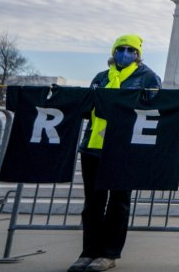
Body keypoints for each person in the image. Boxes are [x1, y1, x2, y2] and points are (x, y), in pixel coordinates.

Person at [68, 34, 162, 272]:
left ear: (138, 54)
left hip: (124, 149)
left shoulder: (147, 77)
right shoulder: (101, 78)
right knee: (93, 204)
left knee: (118, 203)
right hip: (93, 147)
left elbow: (153, 111)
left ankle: (109, 254)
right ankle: (88, 252)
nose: (125, 53)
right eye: (121, 48)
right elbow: (86, 109)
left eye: (131, 49)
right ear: (114, 51)